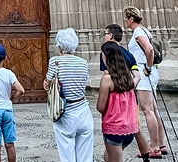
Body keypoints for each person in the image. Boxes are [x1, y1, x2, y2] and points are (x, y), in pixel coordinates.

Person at [43, 27, 93, 162]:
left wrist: (47, 84)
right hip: (83, 108)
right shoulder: (83, 63)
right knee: (85, 154)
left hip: (64, 112)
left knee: (66, 152)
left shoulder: (55, 61)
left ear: (59, 45)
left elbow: (48, 82)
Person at [101, 24, 150, 159]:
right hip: (130, 99)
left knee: (112, 147)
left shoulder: (107, 51)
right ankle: (146, 157)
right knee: (135, 128)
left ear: (110, 35)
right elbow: (137, 76)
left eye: (105, 34)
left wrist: (117, 87)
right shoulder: (128, 54)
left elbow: (107, 74)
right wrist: (128, 86)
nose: (104, 36)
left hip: (114, 108)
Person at [124, 6, 165, 158]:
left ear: (131, 19)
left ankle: (154, 147)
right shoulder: (144, 30)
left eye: (126, 19)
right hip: (151, 71)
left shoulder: (138, 32)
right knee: (153, 109)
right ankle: (160, 143)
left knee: (147, 110)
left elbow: (149, 50)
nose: (125, 22)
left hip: (144, 71)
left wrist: (147, 66)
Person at [97, 41, 139, 162]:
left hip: (114, 127)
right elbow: (137, 78)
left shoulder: (107, 79)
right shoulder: (128, 77)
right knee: (110, 155)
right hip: (130, 129)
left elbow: (101, 107)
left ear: (107, 56)